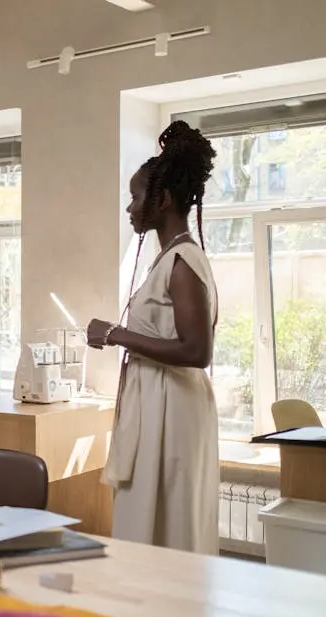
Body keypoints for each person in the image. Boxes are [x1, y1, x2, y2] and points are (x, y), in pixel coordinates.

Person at [86, 120, 220, 555]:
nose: (129, 208)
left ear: (161, 200)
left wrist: (117, 335)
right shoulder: (168, 259)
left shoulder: (183, 260)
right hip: (157, 404)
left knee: (172, 527)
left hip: (174, 410)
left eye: (136, 196)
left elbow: (197, 351)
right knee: (146, 522)